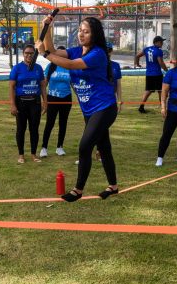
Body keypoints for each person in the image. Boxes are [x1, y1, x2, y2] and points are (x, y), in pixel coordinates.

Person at [36, 16, 119, 202]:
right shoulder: (76, 50)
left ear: (95, 34)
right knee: (104, 148)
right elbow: (53, 50)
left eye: (86, 31)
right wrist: (47, 27)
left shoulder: (97, 53)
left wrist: (45, 55)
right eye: (80, 30)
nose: (81, 33)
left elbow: (71, 64)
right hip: (89, 109)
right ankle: (113, 186)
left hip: (104, 107)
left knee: (85, 146)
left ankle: (78, 190)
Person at [9, 44, 47, 164]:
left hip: (34, 103)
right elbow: (11, 87)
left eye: (31, 53)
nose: (29, 55)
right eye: (26, 53)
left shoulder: (38, 68)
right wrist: (13, 105)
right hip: (21, 103)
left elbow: (42, 86)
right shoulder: (17, 68)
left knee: (34, 129)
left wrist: (45, 102)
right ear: (23, 54)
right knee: (21, 129)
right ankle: (21, 155)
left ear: (34, 54)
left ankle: (34, 154)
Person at [40, 46, 72, 158]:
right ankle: (44, 148)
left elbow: (74, 85)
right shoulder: (51, 66)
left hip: (66, 98)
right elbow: (44, 84)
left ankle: (60, 147)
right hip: (52, 98)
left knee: (63, 123)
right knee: (50, 123)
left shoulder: (69, 67)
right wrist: (44, 100)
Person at [135, 36, 168, 113]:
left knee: (148, 91)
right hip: (157, 74)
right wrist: (167, 70)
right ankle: (163, 107)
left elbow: (137, 56)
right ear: (156, 42)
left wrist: (137, 64)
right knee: (161, 91)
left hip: (149, 74)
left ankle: (141, 107)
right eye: (161, 42)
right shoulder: (159, 51)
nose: (162, 43)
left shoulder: (147, 49)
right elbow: (161, 62)